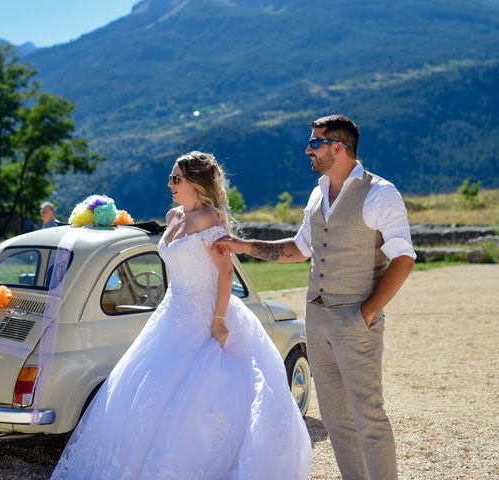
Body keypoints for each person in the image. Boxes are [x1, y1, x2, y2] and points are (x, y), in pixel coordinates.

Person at [51, 151, 312, 479]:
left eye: (177, 178)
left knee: (202, 395)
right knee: (146, 392)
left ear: (196, 183)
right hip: (172, 312)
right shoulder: (173, 216)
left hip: (205, 315)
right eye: (171, 177)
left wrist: (218, 322)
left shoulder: (209, 219)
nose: (170, 183)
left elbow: (225, 274)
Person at [212, 115, 416, 480]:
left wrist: (366, 313)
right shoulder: (318, 191)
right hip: (317, 319)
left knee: (368, 416)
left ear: (338, 147)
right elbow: (297, 250)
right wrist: (242, 246)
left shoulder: (381, 193)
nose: (308, 149)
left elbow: (404, 258)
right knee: (337, 419)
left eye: (315, 143)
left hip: (355, 320)